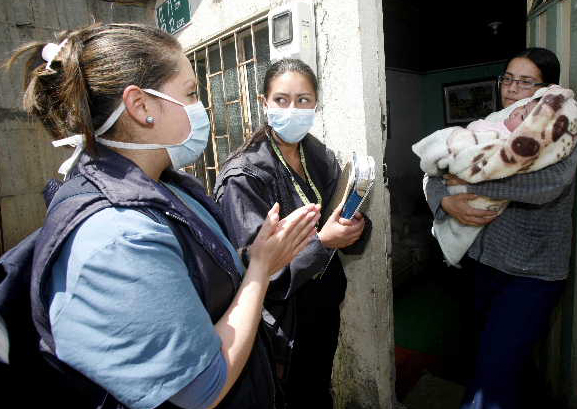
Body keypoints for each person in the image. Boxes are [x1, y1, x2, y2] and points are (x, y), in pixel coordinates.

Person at [5, 23, 321, 409]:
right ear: (141, 106)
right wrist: (259, 268)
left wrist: (256, 254)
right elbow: (202, 387)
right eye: (190, 93)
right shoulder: (119, 237)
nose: (201, 107)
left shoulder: (165, 185)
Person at [423, 47, 577, 408]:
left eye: (525, 82)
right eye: (507, 79)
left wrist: (461, 183)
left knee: (490, 382)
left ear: (547, 90)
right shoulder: (492, 124)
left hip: (533, 273)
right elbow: (435, 169)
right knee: (496, 362)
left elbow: (546, 187)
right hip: (484, 264)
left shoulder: (560, 128)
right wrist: (445, 199)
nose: (511, 89)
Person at [213, 58, 372, 409]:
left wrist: (355, 225)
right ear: (264, 103)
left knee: (317, 393)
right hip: (281, 327)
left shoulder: (319, 156)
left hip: (323, 309)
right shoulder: (244, 177)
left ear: (316, 104)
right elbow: (255, 273)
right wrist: (324, 241)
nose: (293, 109)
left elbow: (342, 215)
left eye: (303, 100)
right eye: (282, 100)